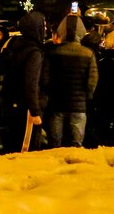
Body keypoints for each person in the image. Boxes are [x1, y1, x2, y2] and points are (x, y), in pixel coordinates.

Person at [42, 14, 98, 148]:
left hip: (57, 102)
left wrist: (49, 92)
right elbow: (92, 80)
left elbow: (45, 78)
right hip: (79, 105)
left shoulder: (53, 52)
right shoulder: (88, 53)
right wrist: (87, 96)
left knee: (55, 143)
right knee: (76, 143)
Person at [0, 11, 46, 153]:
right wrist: (35, 110)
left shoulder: (15, 45)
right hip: (25, 108)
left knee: (12, 148)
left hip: (10, 104)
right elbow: (30, 83)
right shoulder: (34, 52)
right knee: (25, 151)